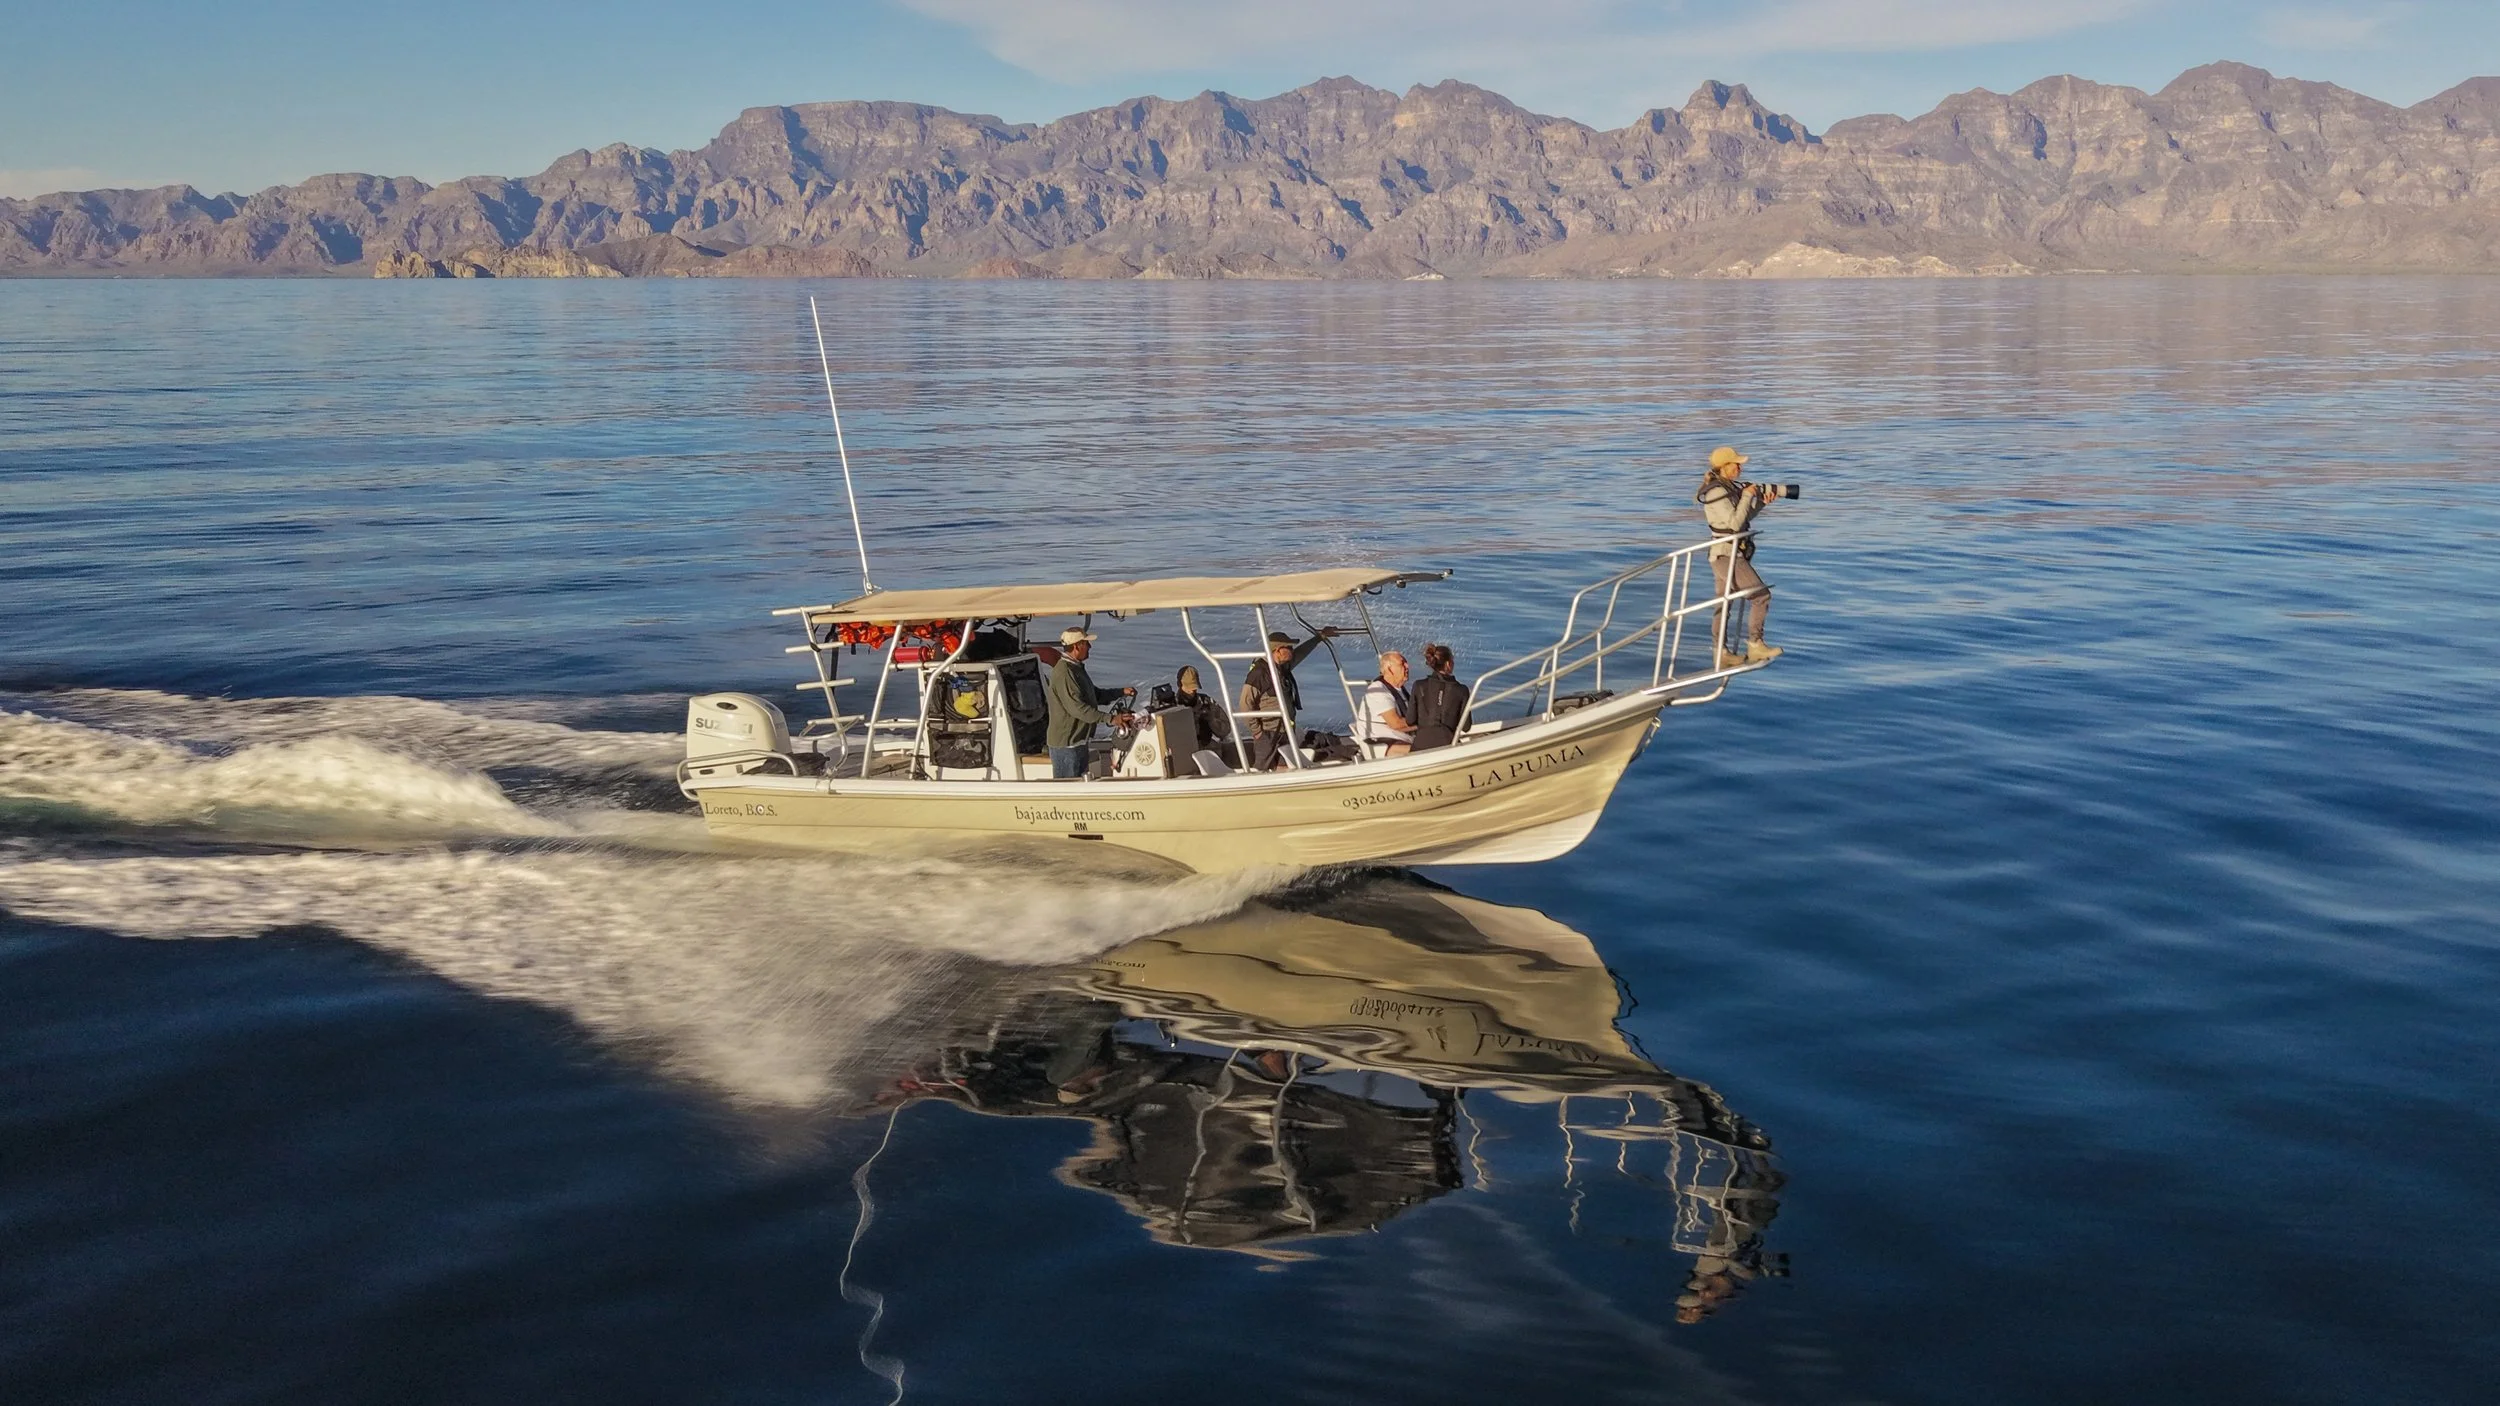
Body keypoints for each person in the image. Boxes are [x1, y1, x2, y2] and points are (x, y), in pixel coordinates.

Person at [1694, 444, 1783, 667]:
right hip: (1726, 555)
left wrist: (1760, 502)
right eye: (1736, 465)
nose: (1740, 469)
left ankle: (1720, 652)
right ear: (1725, 466)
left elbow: (1742, 518)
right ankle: (1755, 644)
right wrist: (1747, 495)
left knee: (1723, 603)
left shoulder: (1727, 488)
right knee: (1761, 596)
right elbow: (1734, 524)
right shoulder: (1716, 491)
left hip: (1727, 553)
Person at [1238, 626, 1340, 770]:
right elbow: (1245, 704)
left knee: (1284, 766)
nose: (1292, 650)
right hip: (1268, 732)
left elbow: (1301, 653)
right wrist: (1257, 731)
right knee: (1263, 768)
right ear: (1277, 650)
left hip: (1285, 729)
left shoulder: (1281, 667)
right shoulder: (1259, 673)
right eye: (1289, 648)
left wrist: (1319, 637)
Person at [1044, 626, 1136, 778]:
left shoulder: (1076, 668)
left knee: (1079, 785)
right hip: (1067, 745)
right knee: (1068, 788)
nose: (1090, 646)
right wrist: (1111, 719)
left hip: (1078, 741)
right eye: (1086, 643)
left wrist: (1120, 692)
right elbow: (1078, 709)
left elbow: (1095, 695)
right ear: (1076, 646)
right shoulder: (1064, 672)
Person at [1407, 643, 1468, 751]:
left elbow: (1410, 720)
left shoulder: (1418, 685)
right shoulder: (1461, 690)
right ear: (1448, 664)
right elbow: (1466, 727)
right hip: (1447, 746)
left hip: (1420, 746)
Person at [1355, 651, 1415, 756]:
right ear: (1389, 669)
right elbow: (1396, 724)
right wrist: (1425, 722)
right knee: (1422, 749)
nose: (1407, 666)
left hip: (1402, 738)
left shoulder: (1401, 689)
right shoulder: (1378, 690)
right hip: (1383, 743)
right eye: (1402, 663)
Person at [1171, 665, 1231, 759]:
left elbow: (1225, 730)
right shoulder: (1172, 707)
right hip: (1183, 753)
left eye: (1194, 687)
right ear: (1180, 684)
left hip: (1207, 750)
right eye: (1188, 686)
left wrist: (1211, 720)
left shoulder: (1206, 702)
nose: (1192, 690)